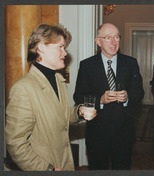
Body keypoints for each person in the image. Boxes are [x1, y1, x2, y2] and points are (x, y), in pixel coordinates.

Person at [5, 24, 96, 171]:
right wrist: (46, 169)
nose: (65, 53)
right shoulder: (23, 89)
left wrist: (79, 112)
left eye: (64, 48)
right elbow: (16, 142)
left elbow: (60, 116)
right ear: (41, 48)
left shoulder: (58, 81)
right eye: (60, 47)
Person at [73, 23, 144, 170]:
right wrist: (100, 100)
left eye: (117, 37)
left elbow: (139, 92)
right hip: (97, 135)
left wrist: (127, 97)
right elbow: (78, 96)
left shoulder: (130, 63)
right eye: (108, 38)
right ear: (98, 41)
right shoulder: (87, 65)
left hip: (124, 134)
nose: (114, 42)